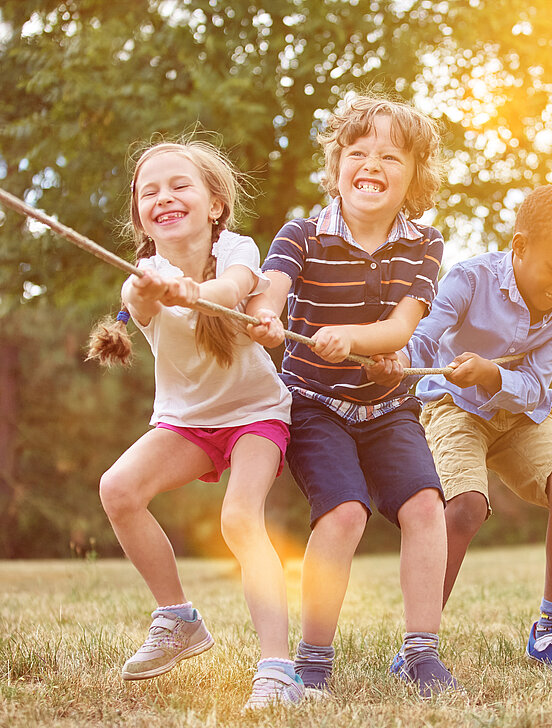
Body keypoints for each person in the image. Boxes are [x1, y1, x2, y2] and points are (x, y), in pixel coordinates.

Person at [245, 94, 459, 698]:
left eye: (392, 156)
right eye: (358, 152)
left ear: (415, 175)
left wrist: (351, 337)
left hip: (388, 407)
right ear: (336, 164)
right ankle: (313, 663)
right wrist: (262, 314)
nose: (373, 164)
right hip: (315, 403)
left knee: (425, 509)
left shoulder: (425, 242)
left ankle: (421, 653)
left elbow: (400, 328)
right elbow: (272, 287)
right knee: (343, 513)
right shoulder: (303, 233)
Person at [87, 139, 302, 709]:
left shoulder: (238, 248)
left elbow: (232, 289)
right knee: (119, 488)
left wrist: (196, 292)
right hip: (187, 424)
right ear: (139, 214)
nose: (164, 197)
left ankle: (279, 670)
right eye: (149, 191)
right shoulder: (143, 274)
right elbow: (138, 297)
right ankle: (177, 617)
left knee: (239, 519)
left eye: (179, 185)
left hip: (256, 414)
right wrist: (156, 290)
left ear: (214, 204)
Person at [370, 185, 552, 673]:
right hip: (454, 407)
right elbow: (425, 335)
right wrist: (398, 360)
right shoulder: (469, 278)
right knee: (466, 507)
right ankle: (419, 646)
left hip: (520, 415)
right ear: (519, 247)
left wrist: (493, 375)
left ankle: (551, 630)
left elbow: (537, 387)